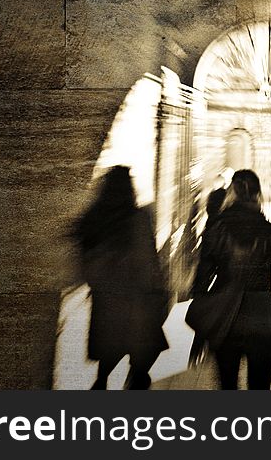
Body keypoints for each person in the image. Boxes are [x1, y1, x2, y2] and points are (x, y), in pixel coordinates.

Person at [190, 169, 271, 390]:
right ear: (257, 194)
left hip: (225, 322)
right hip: (261, 321)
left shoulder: (215, 230)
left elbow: (201, 284)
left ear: (231, 194)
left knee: (227, 387)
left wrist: (201, 333)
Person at [75, 165, 170, 389]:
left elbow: (83, 262)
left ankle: (101, 383)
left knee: (111, 346)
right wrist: (159, 291)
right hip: (135, 300)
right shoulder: (137, 219)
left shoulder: (93, 219)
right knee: (142, 348)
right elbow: (147, 261)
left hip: (105, 300)